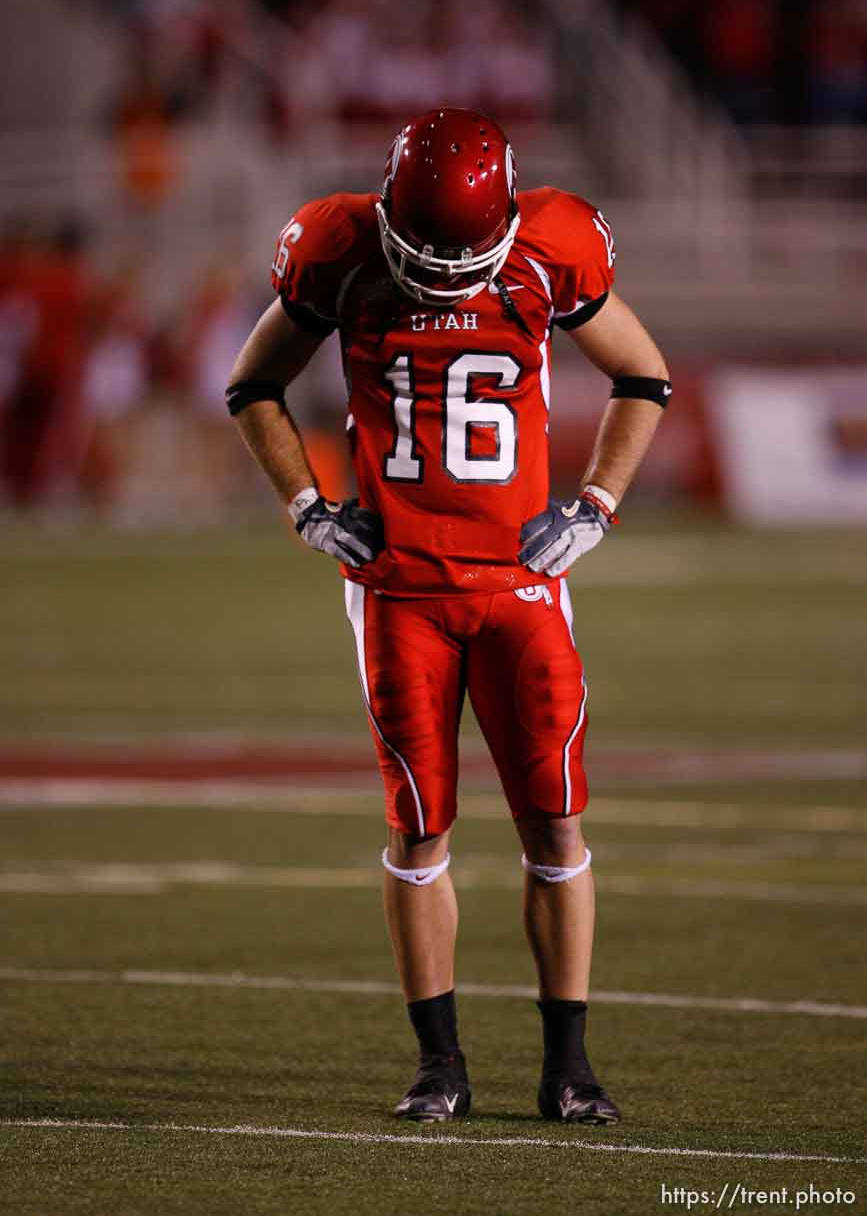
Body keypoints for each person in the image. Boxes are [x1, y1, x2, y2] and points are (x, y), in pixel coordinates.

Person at [227, 108, 670, 1125]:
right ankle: (440, 1063)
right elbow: (254, 381)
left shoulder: (550, 246)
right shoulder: (338, 247)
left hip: (518, 587)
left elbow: (643, 374)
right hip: (399, 593)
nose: (436, 274)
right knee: (418, 826)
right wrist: (305, 502)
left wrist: (597, 503)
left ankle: (571, 1066)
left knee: (554, 820)